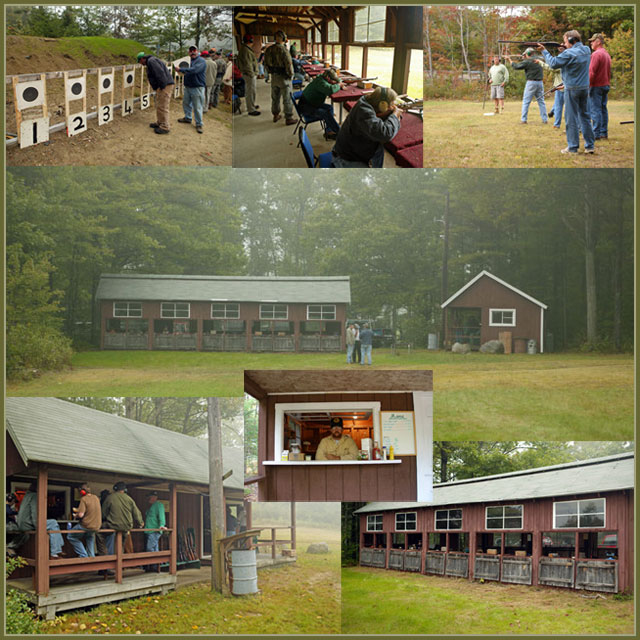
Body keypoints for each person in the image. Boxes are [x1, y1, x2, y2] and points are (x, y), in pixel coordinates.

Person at [537, 31, 595, 154]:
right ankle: (590, 146)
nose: (564, 43)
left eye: (565, 41)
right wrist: (565, 48)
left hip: (572, 89)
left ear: (571, 40)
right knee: (585, 117)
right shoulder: (586, 50)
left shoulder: (568, 53)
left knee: (571, 118)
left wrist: (544, 51)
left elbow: (553, 64)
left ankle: (573, 147)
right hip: (584, 88)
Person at [331, 86, 401, 168]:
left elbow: (376, 120)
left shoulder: (366, 103)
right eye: (391, 104)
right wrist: (395, 116)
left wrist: (390, 114)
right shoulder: (364, 111)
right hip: (346, 158)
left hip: (353, 150)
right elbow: (384, 134)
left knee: (378, 149)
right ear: (382, 105)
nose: (392, 106)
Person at [6, 483, 64, 559]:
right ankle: (55, 551)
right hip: (28, 524)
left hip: (22, 525)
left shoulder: (26, 496)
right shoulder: (34, 496)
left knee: (52, 524)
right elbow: (35, 513)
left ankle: (58, 548)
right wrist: (38, 526)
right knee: (53, 522)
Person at [263, 30, 298, 126]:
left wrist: (271, 72)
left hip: (274, 77)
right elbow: (289, 64)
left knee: (275, 97)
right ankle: (289, 117)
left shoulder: (269, 49)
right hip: (284, 78)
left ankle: (275, 115)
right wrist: (291, 76)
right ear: (284, 39)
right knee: (287, 98)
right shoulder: (284, 50)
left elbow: (265, 64)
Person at [101, 481, 144, 557]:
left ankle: (105, 556)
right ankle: (120, 560)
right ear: (124, 490)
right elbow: (136, 513)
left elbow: (103, 513)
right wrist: (141, 523)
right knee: (121, 544)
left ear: (115, 489)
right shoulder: (129, 499)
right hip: (126, 526)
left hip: (112, 525)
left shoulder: (110, 497)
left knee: (99, 533)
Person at [506, 48, 548, 125]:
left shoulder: (527, 61)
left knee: (526, 102)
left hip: (531, 83)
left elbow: (516, 66)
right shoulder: (539, 59)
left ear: (527, 54)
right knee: (541, 102)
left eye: (525, 54)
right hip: (540, 82)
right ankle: (545, 119)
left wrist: (510, 60)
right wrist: (524, 57)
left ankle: (524, 119)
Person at [136, 51, 174, 135]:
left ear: (142, 59)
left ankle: (165, 127)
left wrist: (162, 86)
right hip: (163, 85)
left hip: (164, 86)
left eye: (139, 61)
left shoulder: (151, 61)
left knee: (163, 106)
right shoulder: (151, 61)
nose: (140, 63)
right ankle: (160, 122)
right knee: (160, 105)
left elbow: (160, 73)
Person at [299, 69, 344, 139]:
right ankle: (340, 133)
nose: (333, 82)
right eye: (332, 80)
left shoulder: (321, 78)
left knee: (329, 108)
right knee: (325, 113)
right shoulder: (321, 82)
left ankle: (329, 131)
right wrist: (338, 85)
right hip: (306, 107)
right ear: (328, 78)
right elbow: (330, 90)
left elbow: (336, 81)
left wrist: (339, 82)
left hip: (312, 103)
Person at [176, 45, 207, 134]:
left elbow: (194, 70)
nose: (192, 52)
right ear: (188, 52)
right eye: (190, 51)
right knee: (186, 103)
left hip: (197, 87)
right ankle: (188, 118)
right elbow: (186, 70)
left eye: (194, 50)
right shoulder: (188, 61)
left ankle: (199, 124)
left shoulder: (201, 61)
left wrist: (181, 69)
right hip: (188, 86)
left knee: (197, 107)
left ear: (197, 51)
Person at [68, 483, 101, 558]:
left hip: (86, 525)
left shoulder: (84, 499)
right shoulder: (96, 498)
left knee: (71, 536)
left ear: (82, 491)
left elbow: (81, 515)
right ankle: (91, 557)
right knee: (90, 538)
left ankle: (83, 555)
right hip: (96, 526)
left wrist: (75, 515)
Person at [588, 33, 611, 140]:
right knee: (603, 109)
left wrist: (588, 85)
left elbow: (591, 72)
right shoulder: (606, 54)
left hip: (596, 85)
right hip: (605, 85)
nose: (591, 43)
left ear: (598, 42)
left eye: (593, 41)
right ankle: (603, 133)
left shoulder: (596, 54)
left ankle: (595, 134)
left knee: (595, 110)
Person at [237, 34, 261, 116]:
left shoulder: (246, 49)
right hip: (249, 74)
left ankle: (252, 105)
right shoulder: (246, 50)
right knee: (250, 91)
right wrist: (252, 74)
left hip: (249, 73)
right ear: (250, 41)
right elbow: (248, 64)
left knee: (251, 91)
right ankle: (251, 109)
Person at [143, 492, 166, 573]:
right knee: (155, 549)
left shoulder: (158, 505)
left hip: (154, 531)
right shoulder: (151, 506)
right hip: (149, 531)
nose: (148, 499)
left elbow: (161, 516)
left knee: (149, 548)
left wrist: (162, 525)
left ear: (154, 497)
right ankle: (155, 566)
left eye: (149, 497)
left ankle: (151, 566)